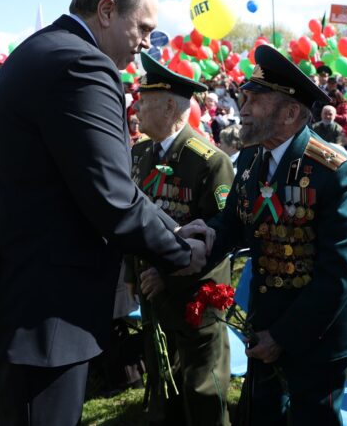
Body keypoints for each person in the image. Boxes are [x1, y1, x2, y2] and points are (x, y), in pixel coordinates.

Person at [0, 0, 209, 426]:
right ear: (107, 10)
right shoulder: (83, 63)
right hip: (42, 306)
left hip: (18, 289)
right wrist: (180, 252)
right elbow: (110, 197)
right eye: (144, 27)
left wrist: (172, 225)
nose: (147, 42)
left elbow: (95, 181)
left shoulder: (42, 49)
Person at [206, 44, 347, 426]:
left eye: (255, 101)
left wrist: (282, 336)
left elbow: (338, 275)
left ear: (291, 112)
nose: (242, 109)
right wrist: (201, 239)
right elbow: (233, 223)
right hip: (264, 327)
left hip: (316, 335)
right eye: (243, 98)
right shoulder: (251, 158)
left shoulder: (333, 172)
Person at [128, 53, 234, 426]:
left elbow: (219, 237)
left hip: (195, 295)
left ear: (170, 106)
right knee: (163, 380)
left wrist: (168, 273)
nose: (135, 109)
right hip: (152, 291)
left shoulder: (207, 160)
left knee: (202, 388)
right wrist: (133, 275)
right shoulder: (139, 153)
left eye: (143, 103)